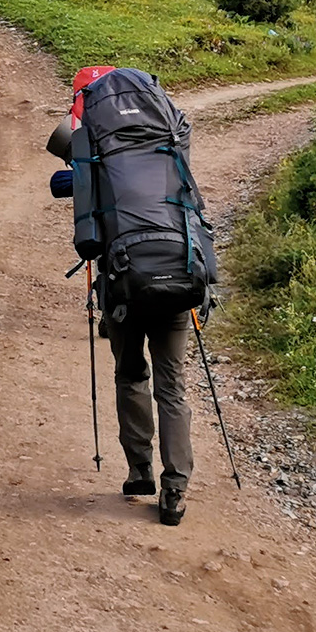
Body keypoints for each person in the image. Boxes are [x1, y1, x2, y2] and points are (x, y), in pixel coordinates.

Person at [50, 65, 197, 527]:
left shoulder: (89, 143)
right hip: (178, 268)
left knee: (130, 371)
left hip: (123, 280)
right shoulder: (171, 133)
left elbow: (75, 207)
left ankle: (139, 470)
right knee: (172, 387)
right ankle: (175, 490)